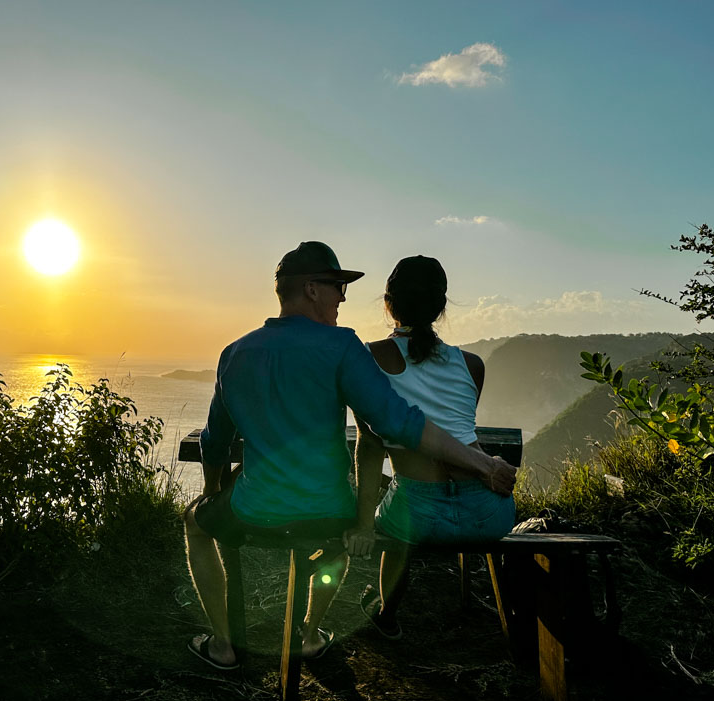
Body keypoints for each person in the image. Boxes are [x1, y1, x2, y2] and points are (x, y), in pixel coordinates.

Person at [184, 242, 517, 670]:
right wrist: (484, 464)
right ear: (310, 289)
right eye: (337, 286)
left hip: (255, 510)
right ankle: (308, 632)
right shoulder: (343, 347)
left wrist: (213, 494)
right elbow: (398, 423)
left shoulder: (235, 353)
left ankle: (223, 644)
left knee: (194, 523)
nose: (343, 296)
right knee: (344, 532)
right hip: (329, 509)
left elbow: (215, 442)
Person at [349, 255, 517, 640]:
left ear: (388, 303)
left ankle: (386, 615)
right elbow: (456, 434)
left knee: (400, 508)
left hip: (419, 514)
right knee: (408, 503)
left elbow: (370, 447)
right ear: (441, 308)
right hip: (489, 511)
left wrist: (362, 523)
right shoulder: (472, 364)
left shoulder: (368, 358)